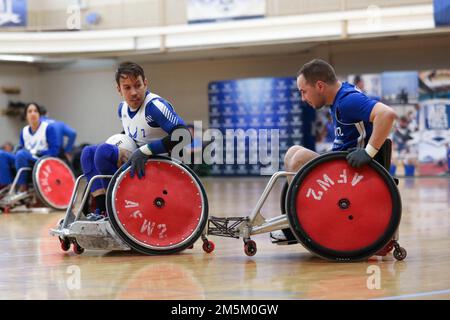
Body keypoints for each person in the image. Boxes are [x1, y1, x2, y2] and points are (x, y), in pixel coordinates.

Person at [271, 59, 397, 244]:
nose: (303, 98)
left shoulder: (347, 100)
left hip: (353, 173)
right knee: (293, 152)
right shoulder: (339, 98)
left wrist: (368, 152)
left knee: (299, 159)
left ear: (320, 86)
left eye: (304, 92)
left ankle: (303, 223)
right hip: (341, 166)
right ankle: (297, 221)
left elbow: (387, 114)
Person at [80, 61, 190, 221]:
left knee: (103, 152)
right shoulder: (122, 109)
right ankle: (102, 209)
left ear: (145, 83)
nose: (133, 92)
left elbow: (184, 135)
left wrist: (146, 151)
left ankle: (114, 208)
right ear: (119, 90)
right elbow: (133, 133)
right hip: (137, 157)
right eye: (127, 88)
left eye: (137, 85)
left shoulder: (155, 107)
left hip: (160, 163)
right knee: (88, 153)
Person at [0, 103, 60, 193]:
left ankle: (23, 185)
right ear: (26, 116)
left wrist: (37, 152)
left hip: (40, 160)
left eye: (35, 111)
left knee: (21, 154)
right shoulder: (24, 131)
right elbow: (21, 147)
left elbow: (54, 151)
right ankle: (6, 185)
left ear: (39, 114)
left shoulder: (48, 128)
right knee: (2, 154)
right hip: (25, 158)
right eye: (29, 111)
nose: (33, 113)